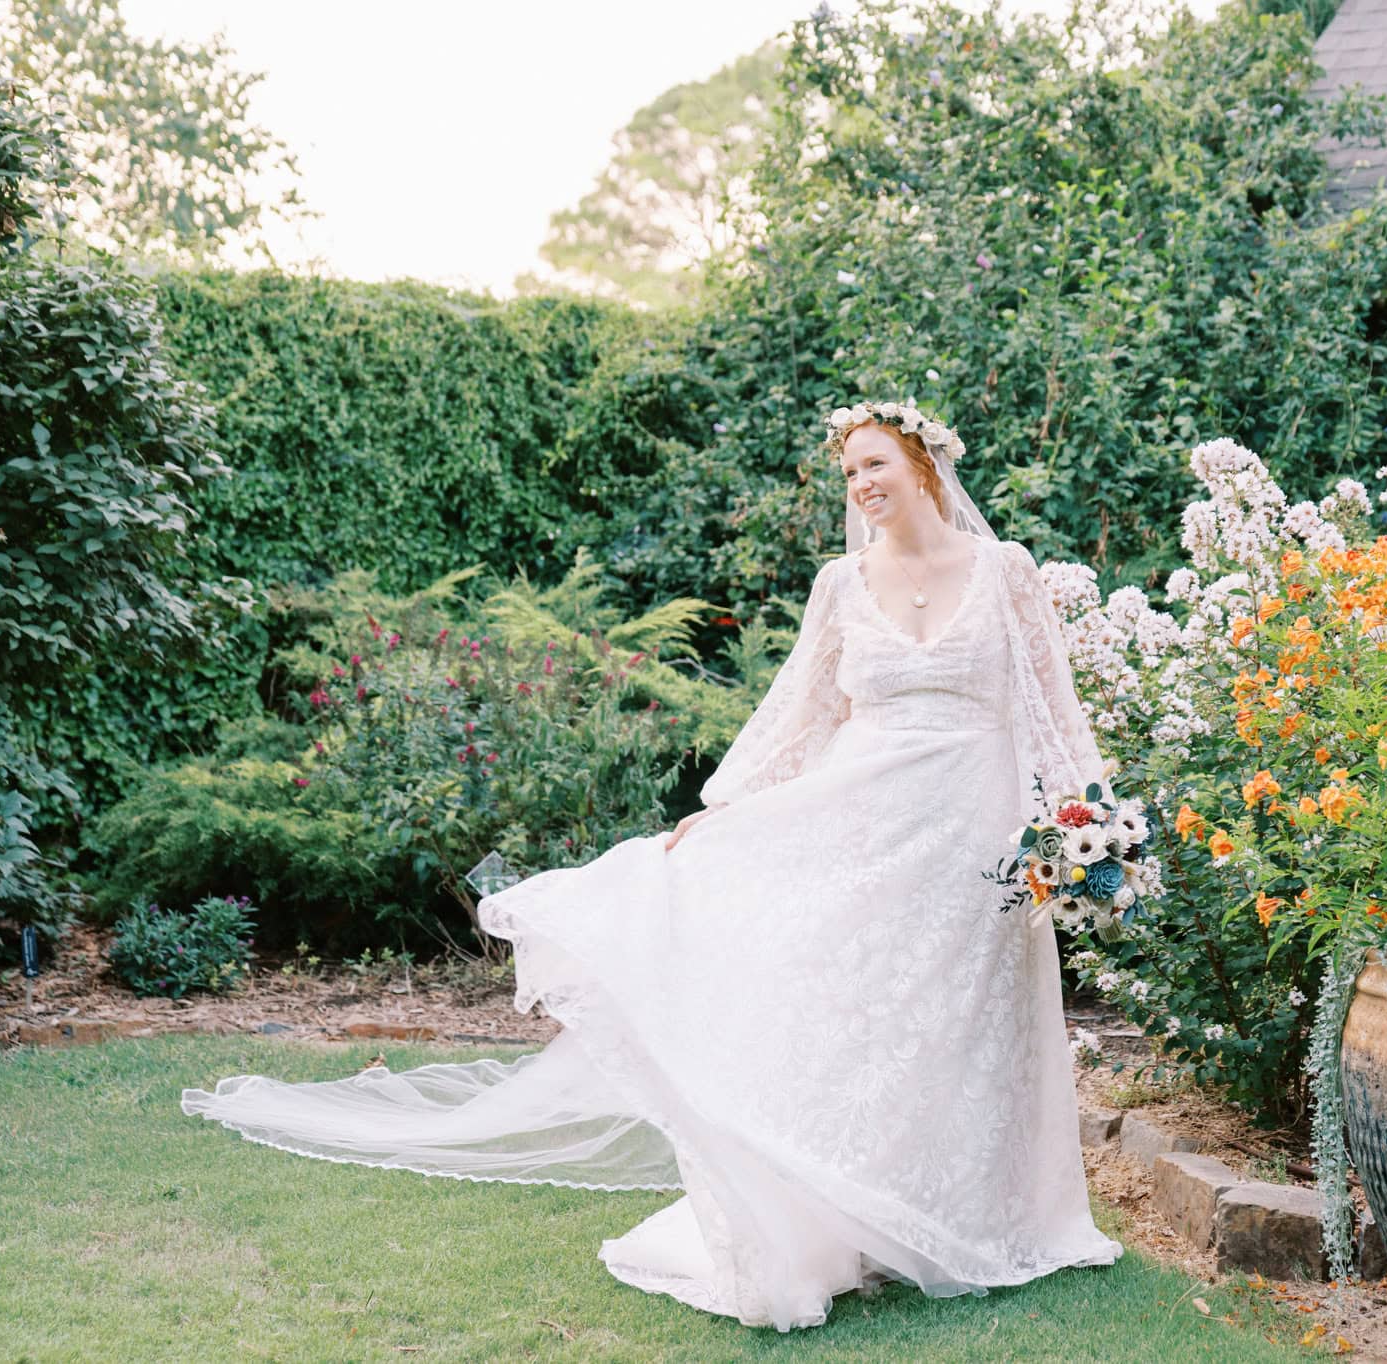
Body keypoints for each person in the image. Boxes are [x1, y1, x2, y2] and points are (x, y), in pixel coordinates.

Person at [180, 400, 1122, 1331]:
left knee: (965, 1024)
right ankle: (851, 1223)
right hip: (865, 819)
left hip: (975, 833)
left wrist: (1091, 823)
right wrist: (726, 809)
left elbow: (1052, 708)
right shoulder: (842, 584)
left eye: (875, 463)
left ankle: (975, 1218)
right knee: (867, 1019)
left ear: (922, 462)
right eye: (848, 473)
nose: (861, 484)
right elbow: (801, 713)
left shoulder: (1005, 571)